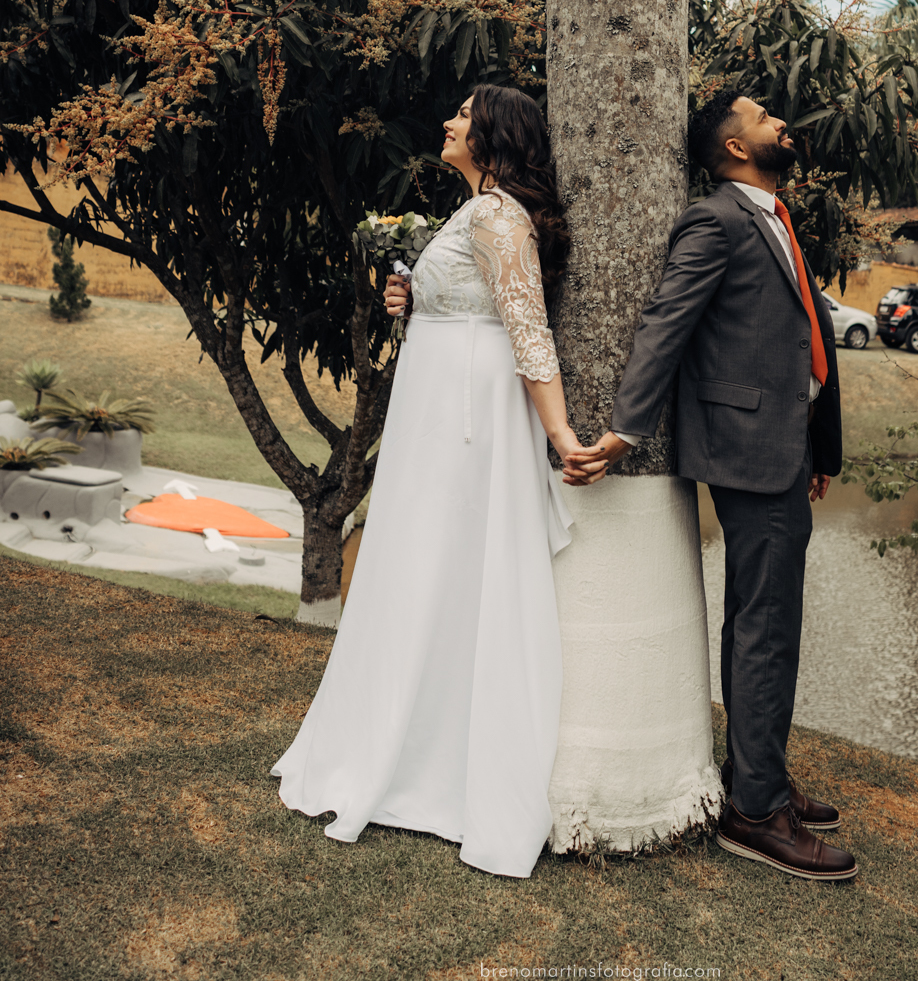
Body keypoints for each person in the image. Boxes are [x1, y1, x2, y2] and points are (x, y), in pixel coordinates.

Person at [271, 85, 591, 877]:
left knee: (447, 569)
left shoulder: (498, 216)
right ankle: (403, 734)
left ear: (494, 137)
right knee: (422, 569)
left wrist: (559, 435)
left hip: (467, 417)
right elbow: (469, 298)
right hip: (438, 404)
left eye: (464, 114)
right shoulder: (472, 211)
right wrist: (412, 295)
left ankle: (437, 761)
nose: (449, 122)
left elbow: (527, 327)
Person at [567, 89, 858, 882]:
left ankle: (759, 777)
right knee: (767, 627)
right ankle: (755, 812)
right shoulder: (717, 221)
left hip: (785, 445)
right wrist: (626, 429)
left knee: (765, 623)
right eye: (763, 118)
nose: (781, 123)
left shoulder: (776, 216)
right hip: (747, 449)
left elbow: (803, 338)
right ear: (734, 148)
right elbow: (666, 321)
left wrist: (819, 445)